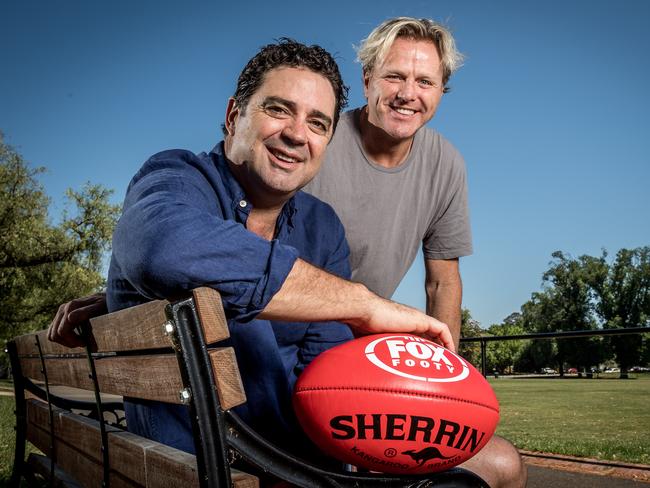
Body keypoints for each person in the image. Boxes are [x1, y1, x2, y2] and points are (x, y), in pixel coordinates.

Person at [50, 18, 527, 487]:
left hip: (300, 449)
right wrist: (365, 303)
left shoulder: (321, 226)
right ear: (235, 115)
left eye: (316, 122)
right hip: (222, 460)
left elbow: (329, 356)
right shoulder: (179, 175)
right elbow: (163, 246)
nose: (298, 134)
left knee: (495, 465)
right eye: (278, 110)